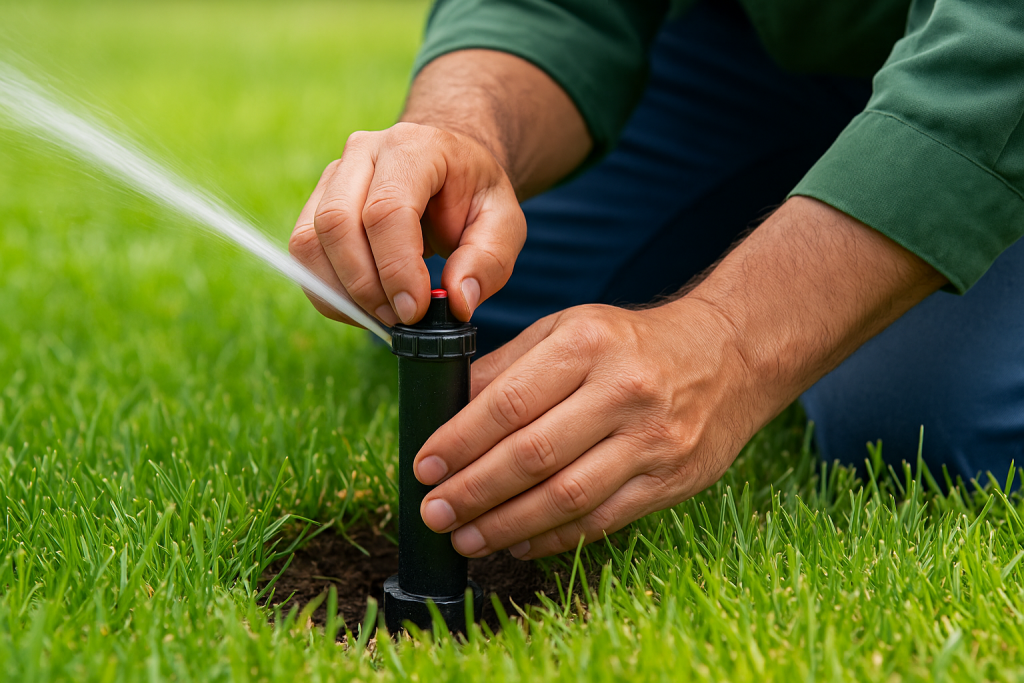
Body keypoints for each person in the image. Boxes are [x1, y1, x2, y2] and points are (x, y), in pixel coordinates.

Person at [289, 0, 1024, 560]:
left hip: (992, 62)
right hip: (756, 48)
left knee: (920, 421)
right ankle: (818, 200)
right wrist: (463, 126)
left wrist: (729, 341)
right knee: (475, 277)